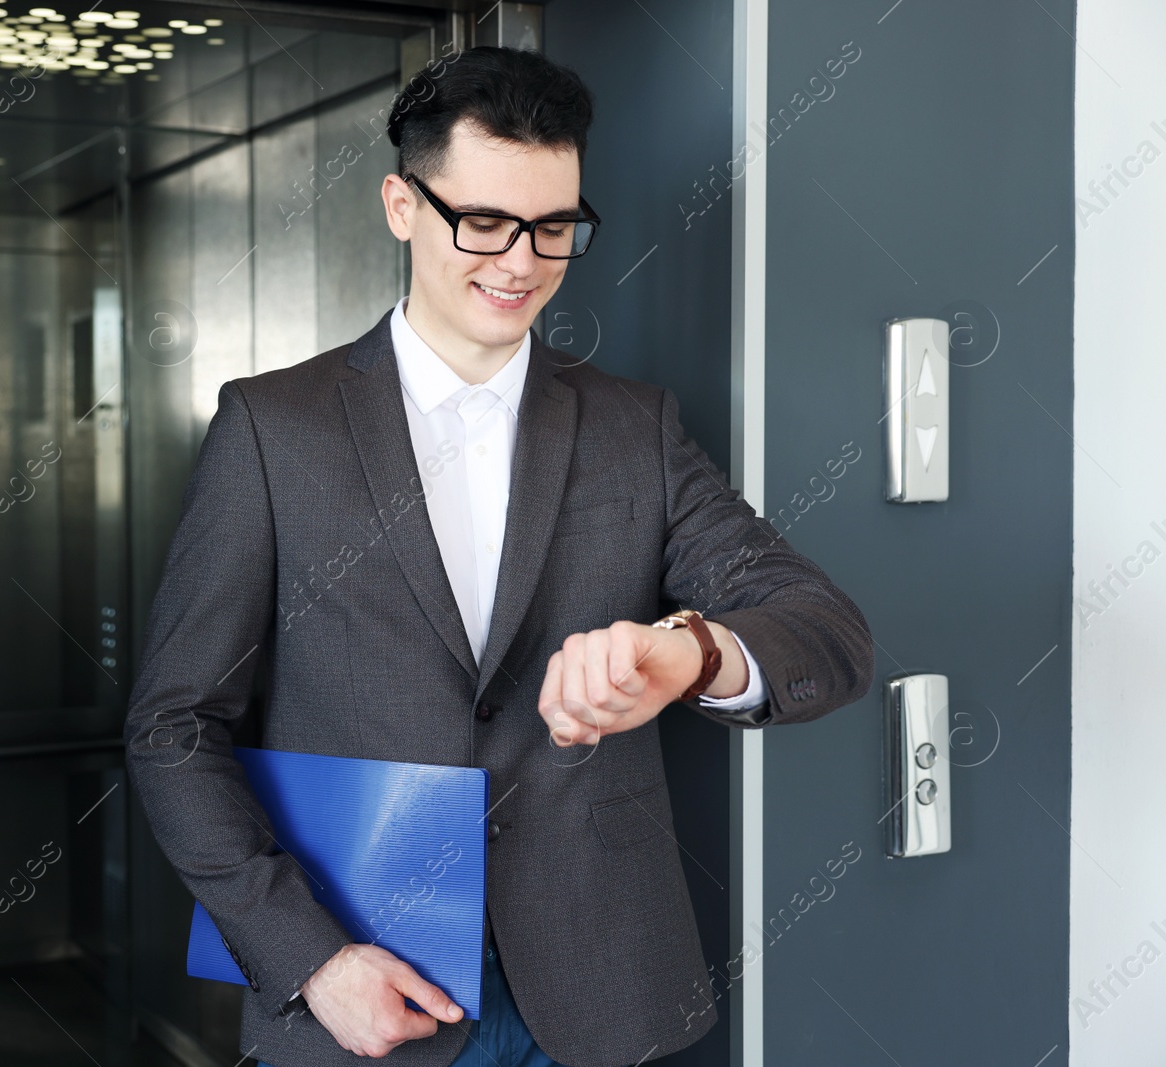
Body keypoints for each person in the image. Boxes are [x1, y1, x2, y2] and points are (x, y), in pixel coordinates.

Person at [124, 46, 874, 1067]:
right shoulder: (271, 428)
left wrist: (690, 653)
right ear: (401, 204)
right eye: (482, 222)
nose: (520, 261)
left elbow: (823, 629)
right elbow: (174, 726)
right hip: (360, 994)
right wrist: (308, 959)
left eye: (554, 227)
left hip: (595, 994)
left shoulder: (633, 429)